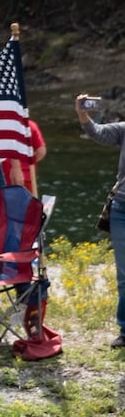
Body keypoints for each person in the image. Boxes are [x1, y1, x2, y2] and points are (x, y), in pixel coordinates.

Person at [77, 94, 125, 348]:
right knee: (124, 274)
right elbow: (97, 133)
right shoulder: (123, 130)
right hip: (121, 208)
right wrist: (83, 115)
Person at [4, 118, 47, 196]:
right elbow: (41, 151)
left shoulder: (4, 127)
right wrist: (29, 161)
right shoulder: (30, 125)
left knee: (6, 203)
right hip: (28, 176)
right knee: (27, 202)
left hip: (7, 175)